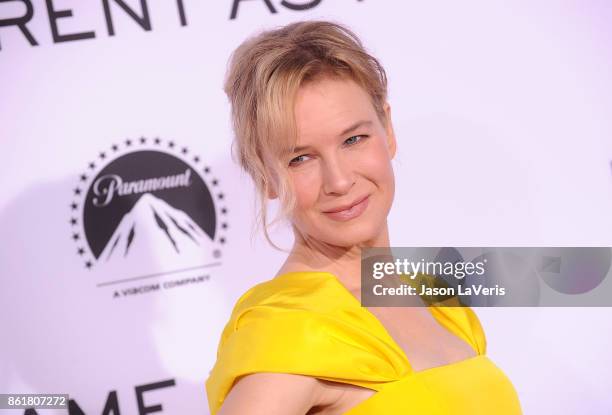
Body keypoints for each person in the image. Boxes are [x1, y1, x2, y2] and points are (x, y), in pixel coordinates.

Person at [205, 20, 522, 414]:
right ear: (265, 177)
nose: (338, 181)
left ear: (387, 129)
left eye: (354, 139)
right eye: (300, 158)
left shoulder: (438, 301)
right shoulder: (290, 332)